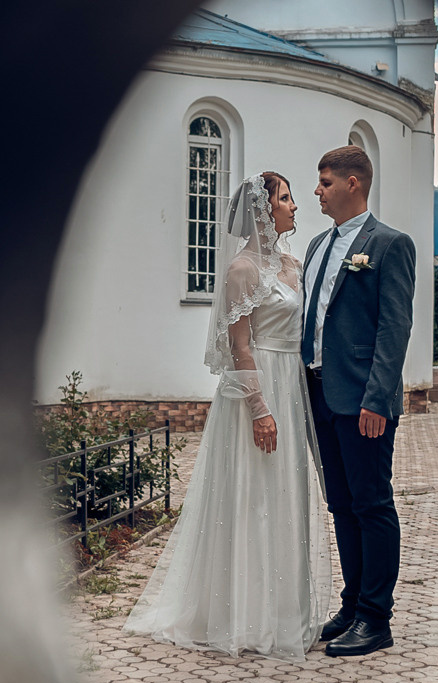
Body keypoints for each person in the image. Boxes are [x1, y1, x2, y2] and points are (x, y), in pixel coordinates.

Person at [124, 172, 323, 658]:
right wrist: (260, 409)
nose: (294, 207)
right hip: (261, 388)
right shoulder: (242, 271)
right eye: (286, 199)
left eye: (292, 198)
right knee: (254, 494)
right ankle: (245, 615)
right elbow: (239, 347)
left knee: (287, 494)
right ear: (264, 209)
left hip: (292, 383)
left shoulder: (293, 265)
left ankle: (286, 611)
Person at [301, 144, 417, 657]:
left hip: (362, 400)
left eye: (325, 182)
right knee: (341, 504)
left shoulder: (390, 245)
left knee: (372, 503)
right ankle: (351, 606)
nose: (317, 192)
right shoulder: (315, 247)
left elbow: (395, 329)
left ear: (354, 183)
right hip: (319, 396)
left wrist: (377, 399)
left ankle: (376, 617)